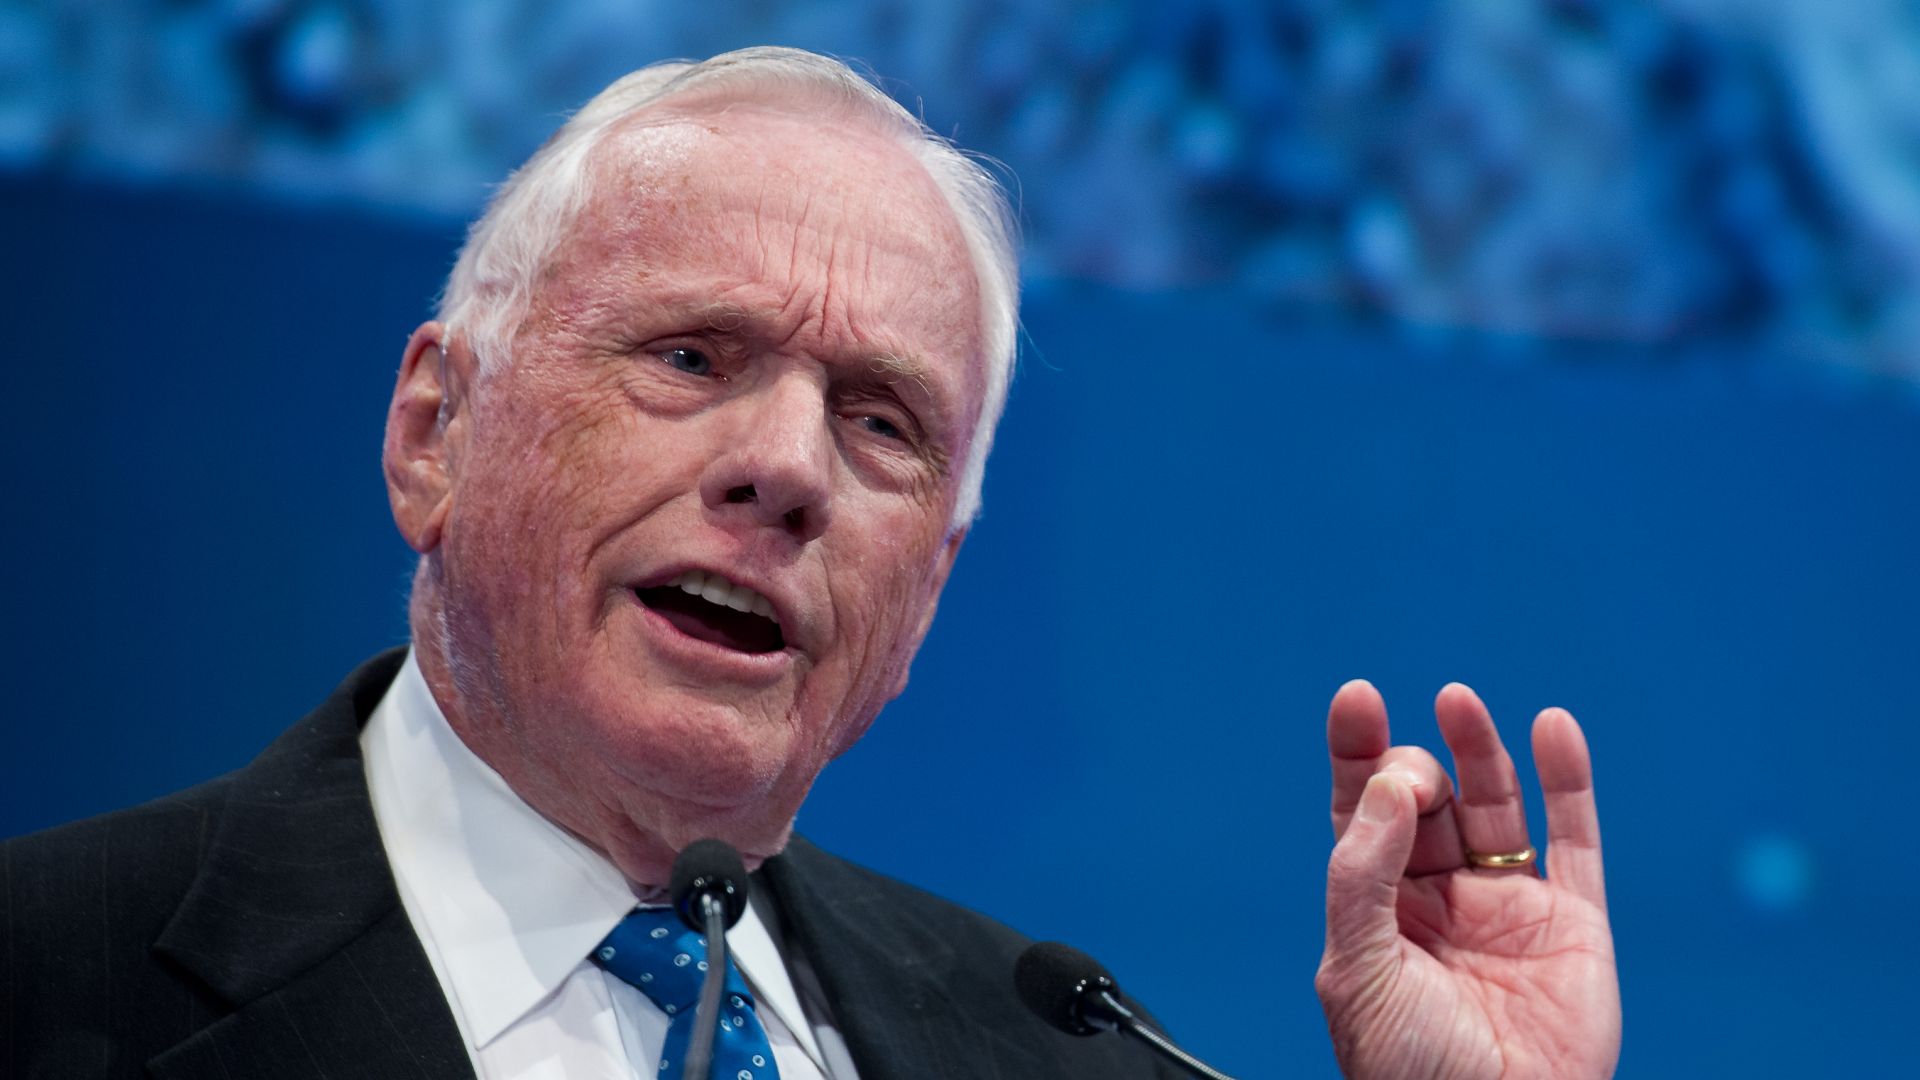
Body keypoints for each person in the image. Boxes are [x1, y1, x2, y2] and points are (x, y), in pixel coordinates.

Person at [1, 47, 1620, 1079]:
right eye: (693, 358)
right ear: (436, 430)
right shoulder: (42, 983)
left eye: (882, 424)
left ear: (926, 598)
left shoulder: (1061, 1053)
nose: (785, 470)